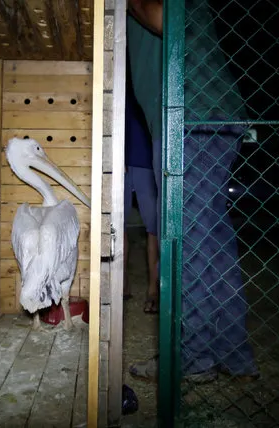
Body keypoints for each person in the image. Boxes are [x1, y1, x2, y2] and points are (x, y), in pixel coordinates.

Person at [127, 0, 260, 383]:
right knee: (212, 243)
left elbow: (162, 19)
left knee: (187, 243)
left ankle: (193, 357)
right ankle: (232, 355)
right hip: (204, 115)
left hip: (189, 117)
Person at [123, 55, 161, 314]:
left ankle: (153, 289)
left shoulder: (153, 82)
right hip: (120, 163)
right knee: (117, 226)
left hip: (148, 163)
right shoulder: (121, 79)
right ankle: (120, 285)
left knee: (154, 228)